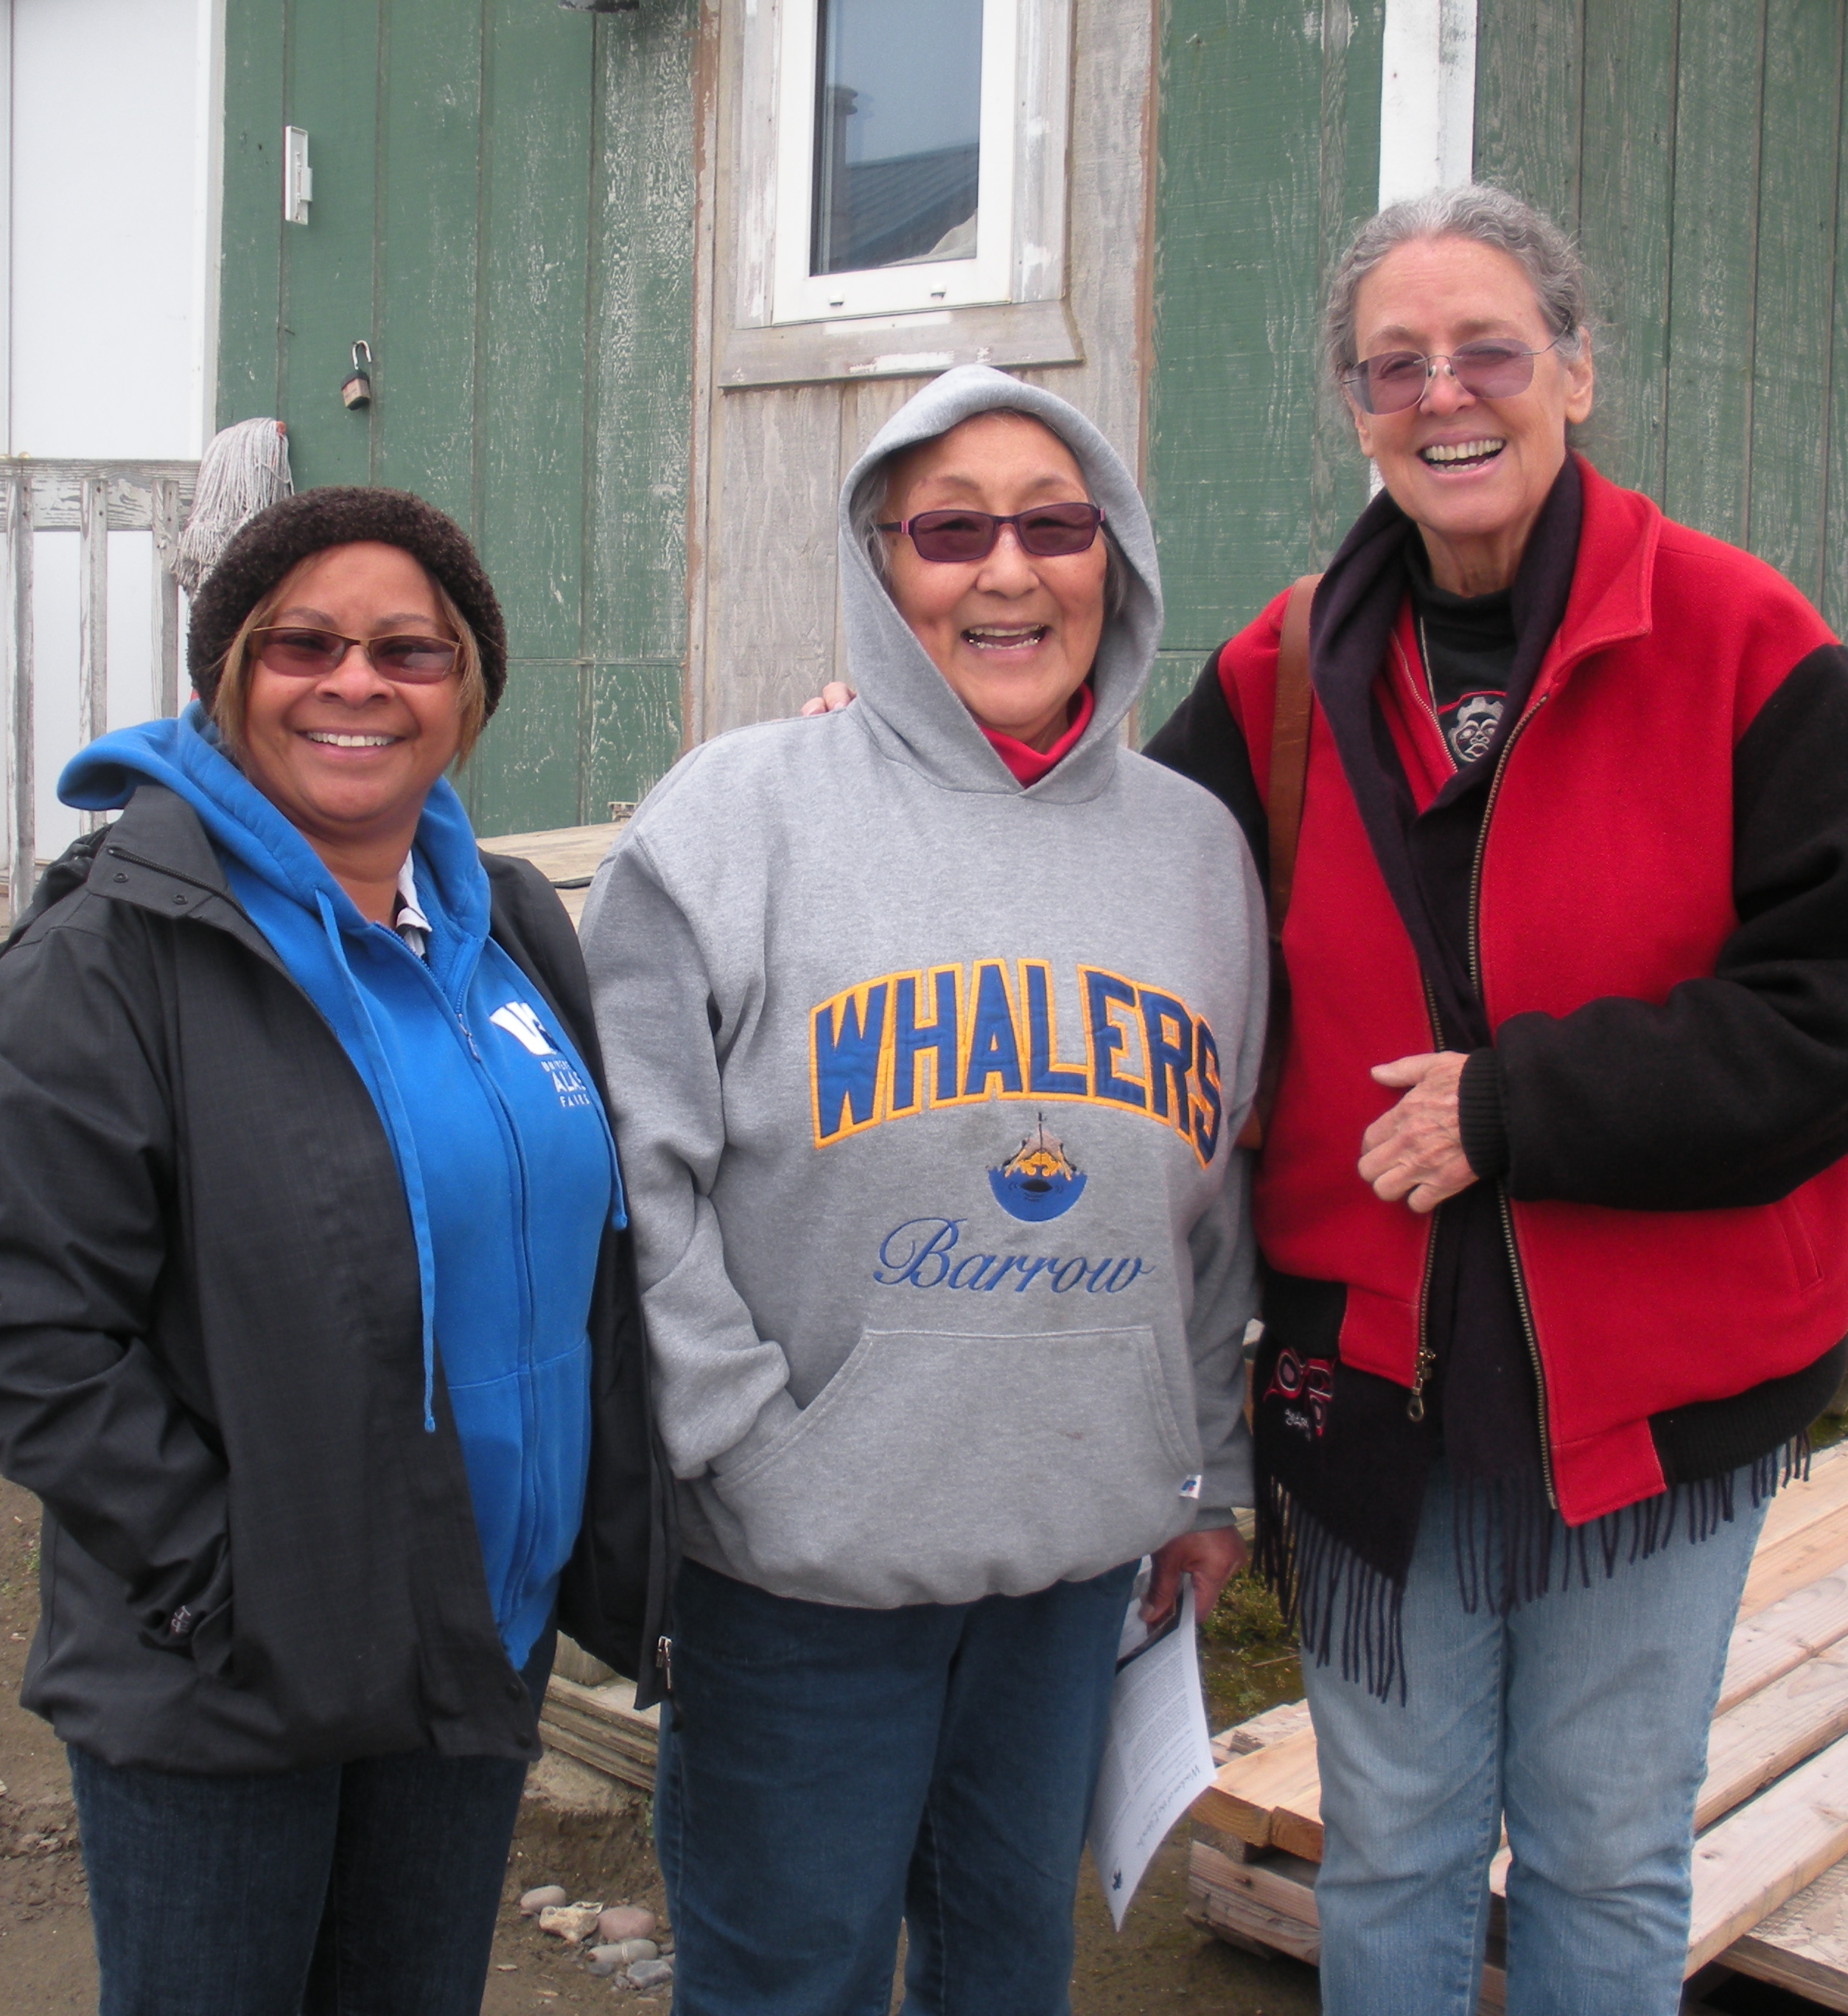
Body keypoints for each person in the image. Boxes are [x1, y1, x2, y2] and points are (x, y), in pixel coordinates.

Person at [1141, 185, 1848, 2015]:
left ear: (1575, 371)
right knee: (1403, 1842)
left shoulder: (1745, 643)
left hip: (1656, 1396)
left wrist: (1525, 1105)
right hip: (1370, 1385)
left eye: (1491, 349)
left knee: (1603, 1848)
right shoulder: (1279, 680)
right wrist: (930, 765)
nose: (1448, 394)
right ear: (1356, 408)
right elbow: (1130, 906)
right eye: (1395, 363)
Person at [0, 489, 665, 2016]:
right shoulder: (112, 957)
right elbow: (20, 1333)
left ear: (465, 694)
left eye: (410, 647)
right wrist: (232, 1582)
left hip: (478, 1630)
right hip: (238, 1667)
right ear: (228, 676)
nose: (356, 681)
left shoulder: (512, 925)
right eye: (303, 643)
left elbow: (592, 1247)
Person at [581, 365, 1262, 2016]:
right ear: (883, 569)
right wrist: (742, 1446)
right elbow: (631, 1179)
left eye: (1055, 524)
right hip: (807, 1570)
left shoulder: (1194, 850)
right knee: (785, 1982)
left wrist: (1207, 1467)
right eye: (951, 530)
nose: (1008, 570)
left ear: (1120, 558)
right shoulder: (736, 817)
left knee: (1005, 1968)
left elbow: (1220, 1194)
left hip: (1073, 1564)